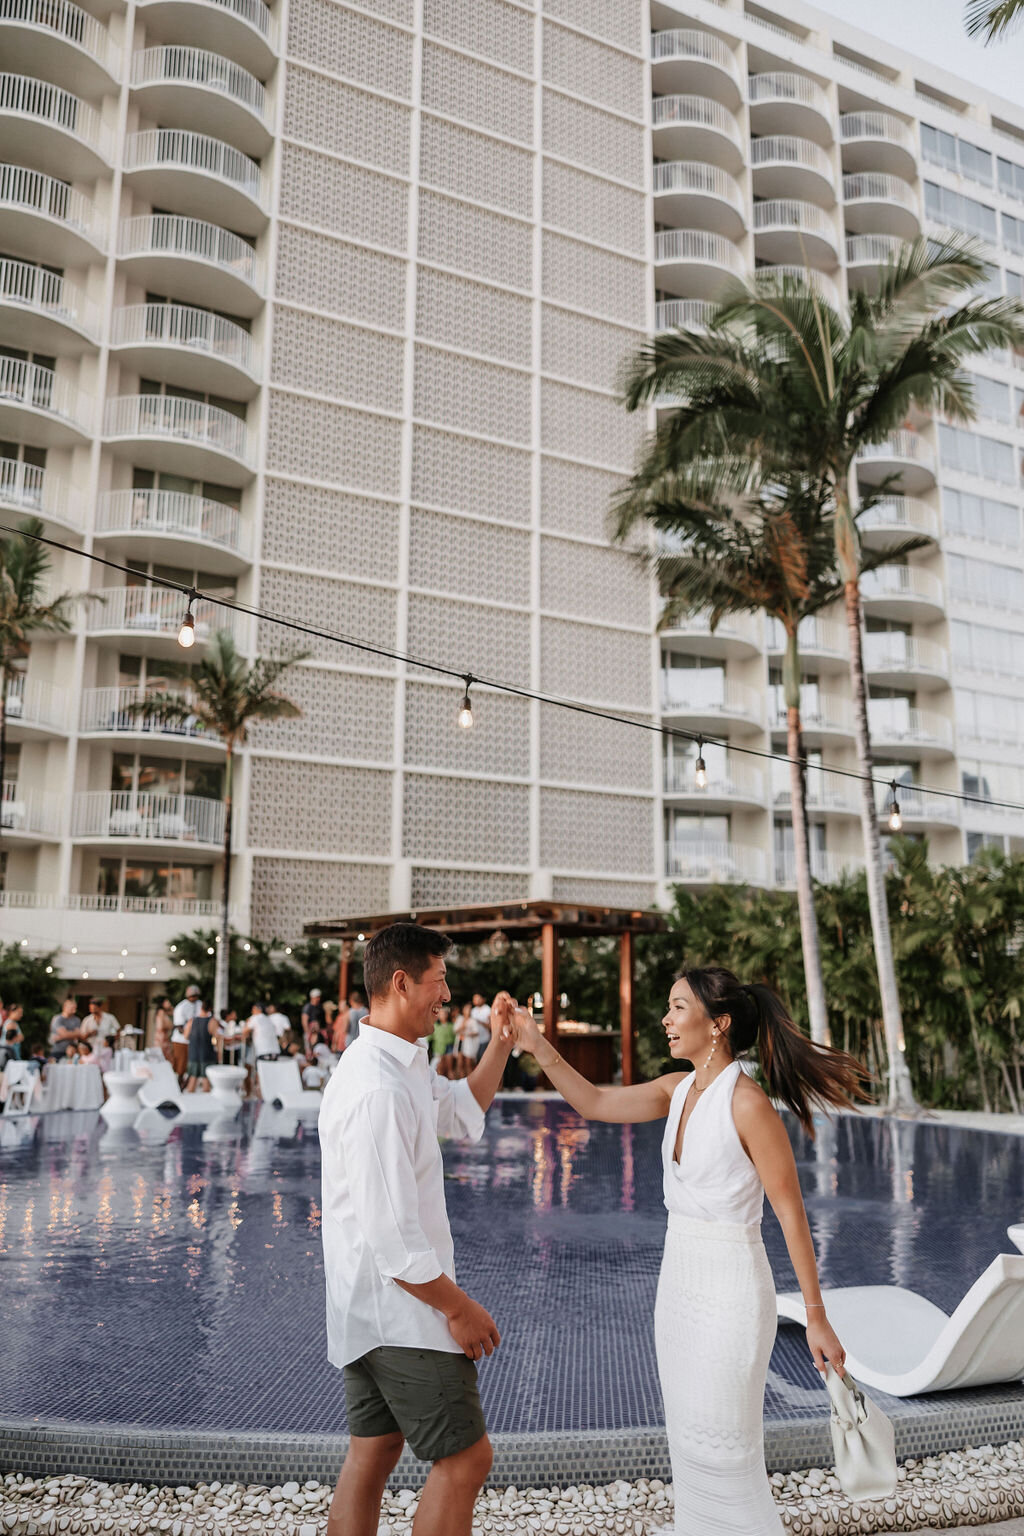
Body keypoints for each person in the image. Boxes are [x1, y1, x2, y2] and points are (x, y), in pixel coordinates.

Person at [510, 966, 868, 1536]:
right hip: (677, 1290)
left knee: (728, 1454)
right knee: (691, 1452)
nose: (666, 1019)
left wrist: (817, 1319)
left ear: (718, 1024)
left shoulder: (748, 1105)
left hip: (731, 1294)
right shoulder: (676, 1090)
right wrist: (536, 1046)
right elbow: (596, 1102)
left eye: (678, 1008)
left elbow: (792, 1216)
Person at [319, 923, 515, 1536]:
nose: (447, 995)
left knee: (373, 1452)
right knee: (465, 1459)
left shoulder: (397, 1062)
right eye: (439, 981)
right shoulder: (375, 1088)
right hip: (401, 1313)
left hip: (369, 1310)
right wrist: (460, 1310)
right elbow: (396, 1242)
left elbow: (459, 1111)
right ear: (401, 983)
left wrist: (502, 1043)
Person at [184, 1001, 217, 1092]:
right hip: (207, 1053)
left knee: (192, 1079)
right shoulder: (212, 1021)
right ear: (210, 1008)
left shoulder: (192, 1020)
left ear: (201, 1007)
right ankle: (205, 1104)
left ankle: (189, 1103)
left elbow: (186, 1036)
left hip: (194, 1052)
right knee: (206, 1082)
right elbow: (216, 1038)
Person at [171, 985, 199, 1082]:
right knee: (181, 1064)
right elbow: (179, 1026)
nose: (194, 998)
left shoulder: (199, 1004)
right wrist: (189, 1035)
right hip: (181, 1040)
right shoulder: (181, 1007)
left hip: (195, 1040)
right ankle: (179, 1083)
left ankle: (188, 1083)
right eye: (193, 996)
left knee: (192, 1064)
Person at [153, 997, 174, 1062]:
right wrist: (170, 1025)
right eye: (167, 1002)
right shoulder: (161, 1012)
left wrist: (170, 1007)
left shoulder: (164, 1012)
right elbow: (161, 1026)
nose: (169, 1003)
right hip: (162, 1038)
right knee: (163, 1057)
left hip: (163, 1037)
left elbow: (173, 1011)